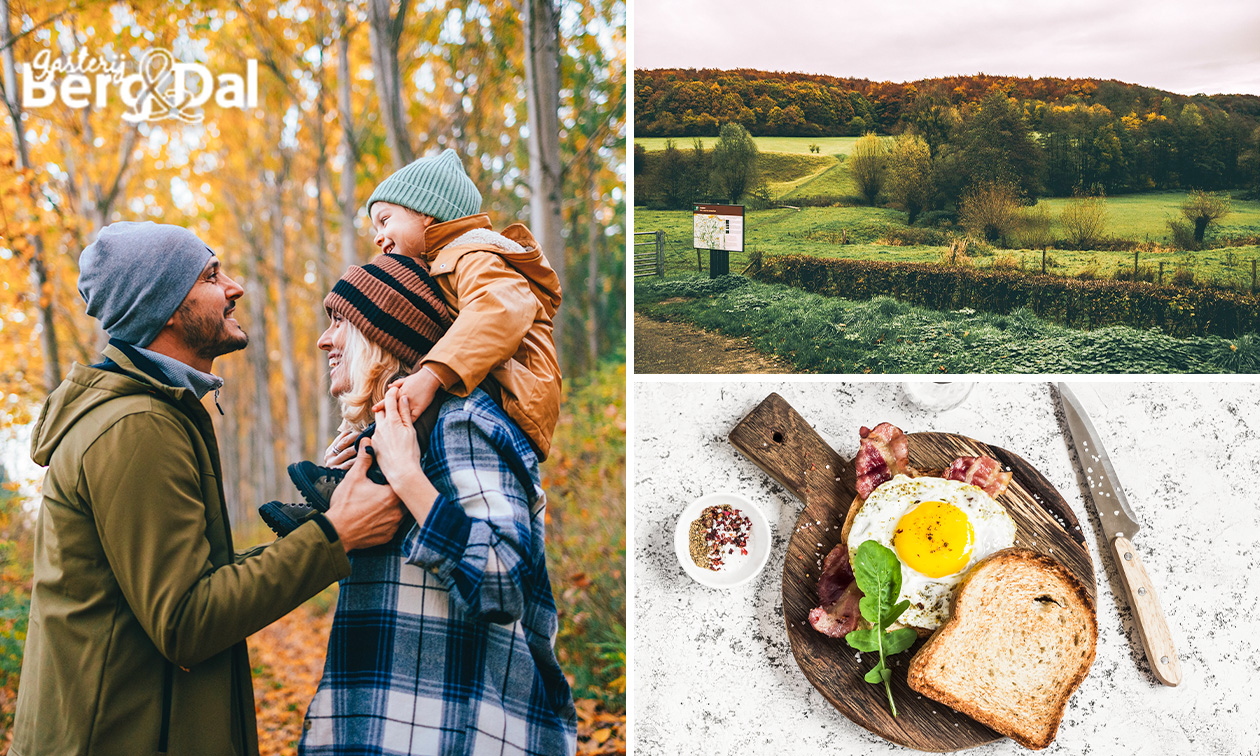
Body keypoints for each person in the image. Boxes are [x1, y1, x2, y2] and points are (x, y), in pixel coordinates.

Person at [10, 221, 405, 756]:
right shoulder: (135, 426)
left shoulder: (150, 413)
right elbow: (186, 621)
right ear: (169, 305)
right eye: (212, 275)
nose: (234, 287)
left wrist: (320, 529)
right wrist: (336, 536)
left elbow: (190, 584)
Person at [297, 253, 577, 755]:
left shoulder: (461, 422)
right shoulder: (398, 436)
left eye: (338, 320)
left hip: (455, 736)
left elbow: (503, 580)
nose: (324, 339)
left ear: (383, 331)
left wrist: (408, 479)